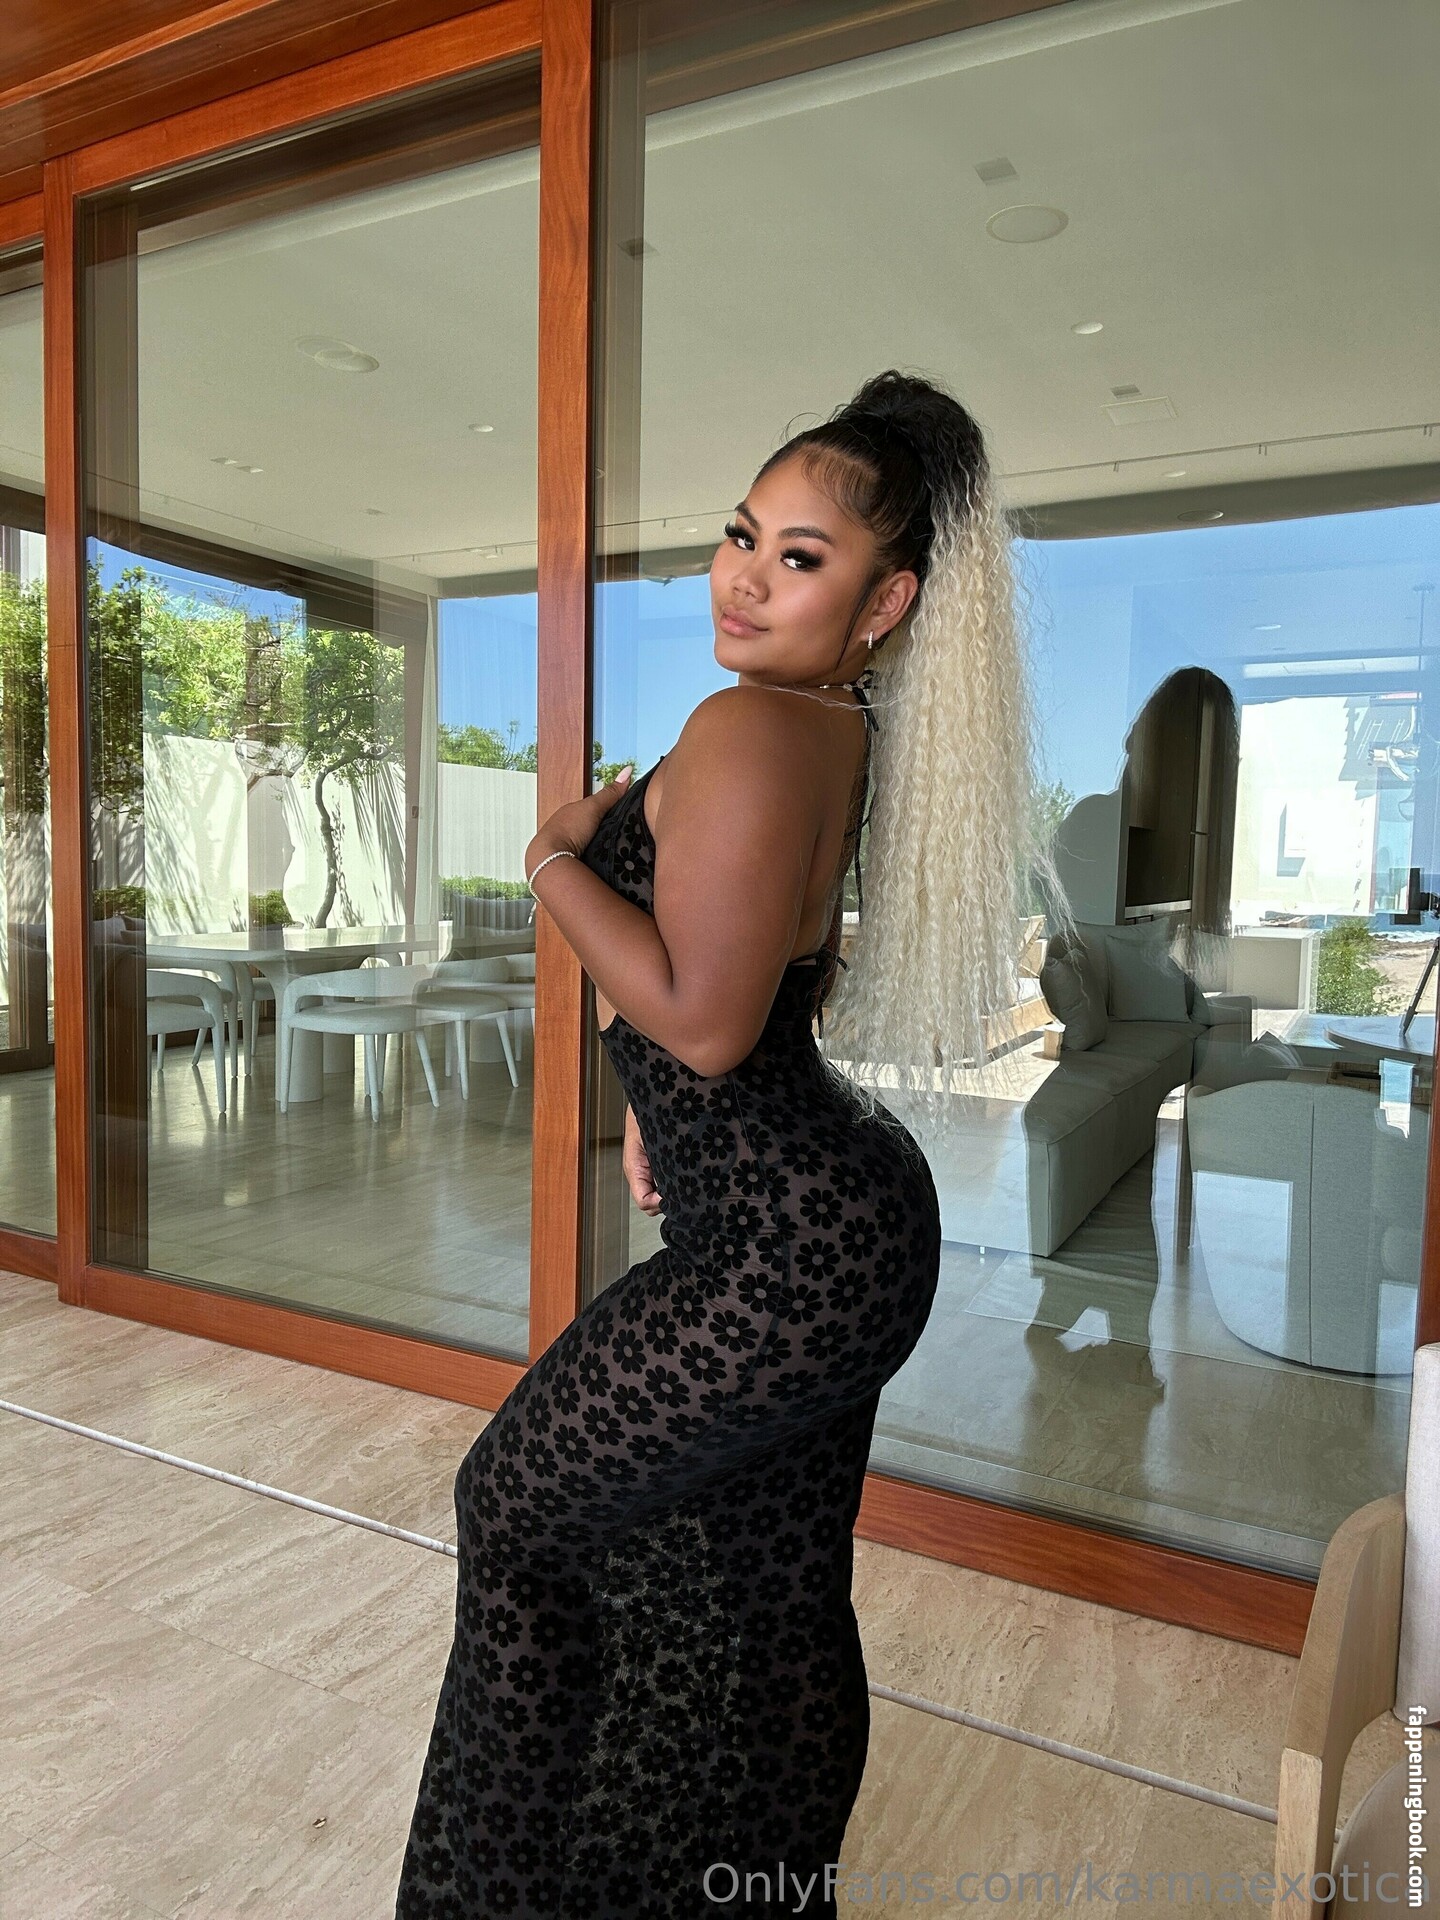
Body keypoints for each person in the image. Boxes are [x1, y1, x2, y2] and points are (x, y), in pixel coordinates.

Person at [395, 370, 1062, 1918]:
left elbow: (701, 1019)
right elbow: (747, 980)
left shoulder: (753, 726)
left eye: (801, 557)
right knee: (765, 1596)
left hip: (783, 1248)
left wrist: (552, 862)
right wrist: (657, 1109)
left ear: (885, 601)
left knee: (518, 1518)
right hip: (821, 1218)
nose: (745, 578)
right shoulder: (827, 725)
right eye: (741, 534)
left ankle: (513, 1894)